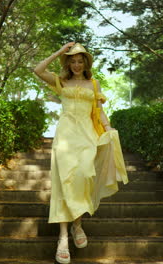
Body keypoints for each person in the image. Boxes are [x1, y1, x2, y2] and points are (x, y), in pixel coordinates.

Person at [33, 42, 128, 264]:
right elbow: (38, 70)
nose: (76, 64)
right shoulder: (61, 81)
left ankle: (77, 223)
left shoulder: (93, 84)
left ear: (86, 62)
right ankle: (64, 236)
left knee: (84, 175)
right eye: (72, 61)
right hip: (65, 135)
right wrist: (59, 52)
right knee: (64, 180)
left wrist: (108, 128)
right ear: (68, 62)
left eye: (80, 60)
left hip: (87, 135)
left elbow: (100, 112)